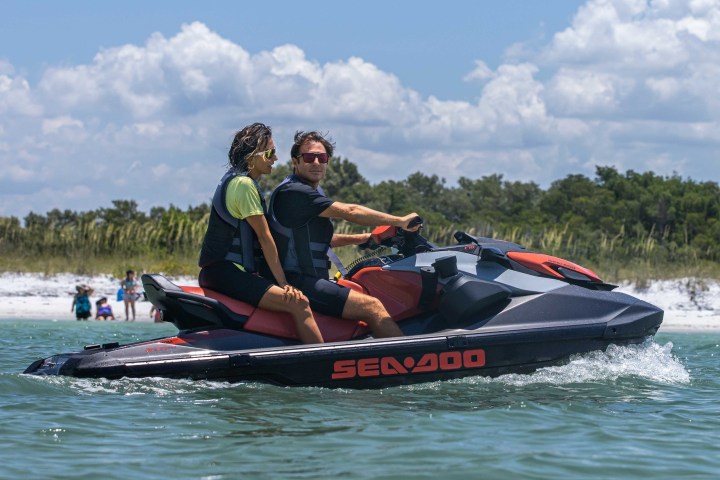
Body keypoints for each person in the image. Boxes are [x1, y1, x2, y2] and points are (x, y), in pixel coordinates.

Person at [268, 131, 420, 338]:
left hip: (310, 277)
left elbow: (318, 241)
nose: (316, 162)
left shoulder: (308, 192)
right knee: (372, 307)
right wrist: (400, 221)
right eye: (309, 157)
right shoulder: (294, 192)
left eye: (321, 158)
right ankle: (408, 362)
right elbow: (351, 212)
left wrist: (368, 238)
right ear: (296, 161)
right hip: (300, 280)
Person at [197, 122, 324, 344]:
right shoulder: (244, 185)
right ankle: (326, 363)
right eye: (270, 153)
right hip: (227, 273)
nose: (275, 159)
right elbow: (265, 239)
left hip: (224, 272)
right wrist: (284, 284)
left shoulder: (235, 180)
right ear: (252, 155)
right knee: (299, 303)